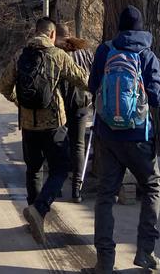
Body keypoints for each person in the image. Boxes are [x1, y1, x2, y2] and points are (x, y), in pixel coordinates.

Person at [0, 16, 89, 244]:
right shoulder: (57, 56)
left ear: (35, 32)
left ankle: (34, 217)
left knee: (34, 170)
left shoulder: (21, 55)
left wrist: (19, 101)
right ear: (51, 34)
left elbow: (3, 86)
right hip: (53, 123)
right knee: (60, 168)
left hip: (28, 124)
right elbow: (83, 80)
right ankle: (39, 209)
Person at [89, 5, 160, 274]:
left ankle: (105, 261)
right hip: (139, 136)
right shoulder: (147, 54)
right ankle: (145, 252)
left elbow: (92, 85)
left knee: (106, 195)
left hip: (108, 134)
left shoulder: (105, 50)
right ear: (141, 28)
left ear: (119, 28)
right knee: (152, 187)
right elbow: (156, 99)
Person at [55, 22, 94, 202]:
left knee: (59, 144)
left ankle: (56, 185)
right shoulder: (85, 53)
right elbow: (94, 77)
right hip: (81, 103)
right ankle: (77, 189)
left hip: (60, 105)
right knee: (78, 145)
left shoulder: (56, 54)